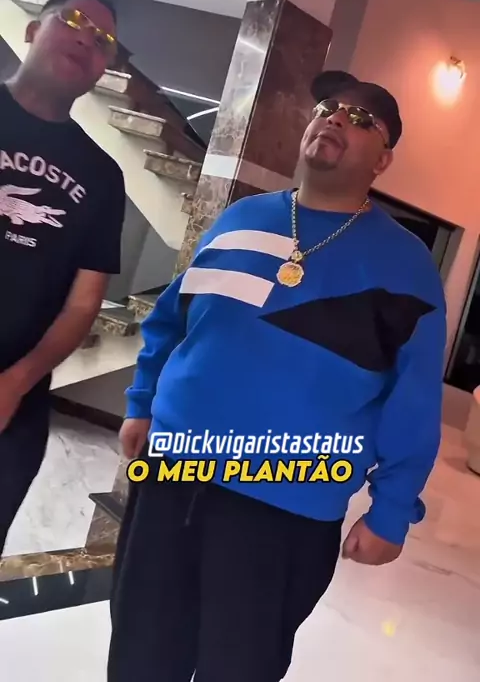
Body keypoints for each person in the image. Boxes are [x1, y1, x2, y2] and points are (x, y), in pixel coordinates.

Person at [109, 71, 446, 682]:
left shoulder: (406, 264)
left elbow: (415, 399)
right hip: (172, 472)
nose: (336, 118)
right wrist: (142, 403)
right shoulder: (241, 219)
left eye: (361, 118)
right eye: (328, 107)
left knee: (239, 667)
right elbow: (172, 320)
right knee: (140, 652)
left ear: (383, 160)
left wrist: (391, 511)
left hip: (286, 499)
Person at [0, 0, 126, 554]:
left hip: (12, 407)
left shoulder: (102, 177)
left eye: (103, 41)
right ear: (33, 29)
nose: (85, 39)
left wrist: (14, 384)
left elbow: (83, 304)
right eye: (72, 19)